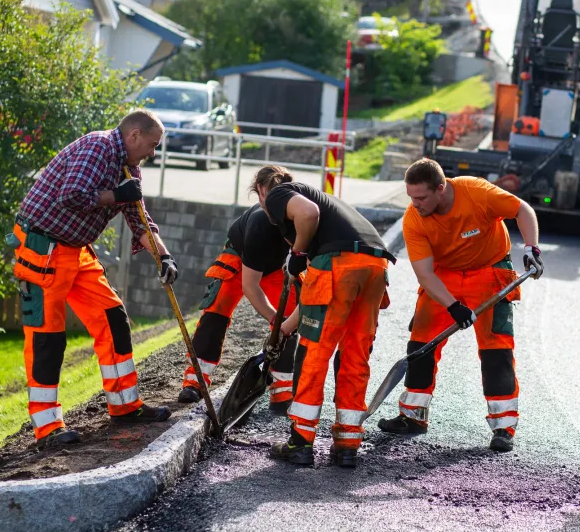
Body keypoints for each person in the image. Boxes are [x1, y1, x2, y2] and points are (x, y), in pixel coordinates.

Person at [10, 110, 176, 447]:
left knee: (113, 318)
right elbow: (71, 196)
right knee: (47, 338)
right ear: (134, 135)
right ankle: (47, 428)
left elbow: (139, 219)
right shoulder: (97, 148)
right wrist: (116, 194)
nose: (153, 152)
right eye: (152, 144)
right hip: (44, 249)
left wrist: (164, 256)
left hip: (75, 250)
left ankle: (125, 406)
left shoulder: (129, 167)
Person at [377, 159, 543, 452]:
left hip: (489, 271)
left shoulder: (477, 193)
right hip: (443, 276)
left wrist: (531, 248)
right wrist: (452, 305)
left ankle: (503, 427)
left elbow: (522, 210)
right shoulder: (414, 219)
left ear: (440, 189)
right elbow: (425, 274)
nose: (415, 204)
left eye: (421, 197)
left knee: (496, 349)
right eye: (411, 197)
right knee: (421, 343)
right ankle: (413, 416)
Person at [252, 165, 394, 468]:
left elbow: (308, 214)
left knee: (314, 353)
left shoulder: (278, 195)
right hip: (376, 266)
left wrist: (297, 253)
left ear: (262, 191)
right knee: (355, 354)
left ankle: (300, 442)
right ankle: (347, 444)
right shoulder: (331, 211)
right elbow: (314, 298)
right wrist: (285, 328)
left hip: (340, 266)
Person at [178, 201, 300, 414]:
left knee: (289, 320)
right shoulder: (259, 222)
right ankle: (195, 381)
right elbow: (250, 285)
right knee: (217, 310)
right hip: (240, 258)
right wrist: (273, 317)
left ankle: (282, 389)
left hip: (278, 265)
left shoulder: (306, 218)